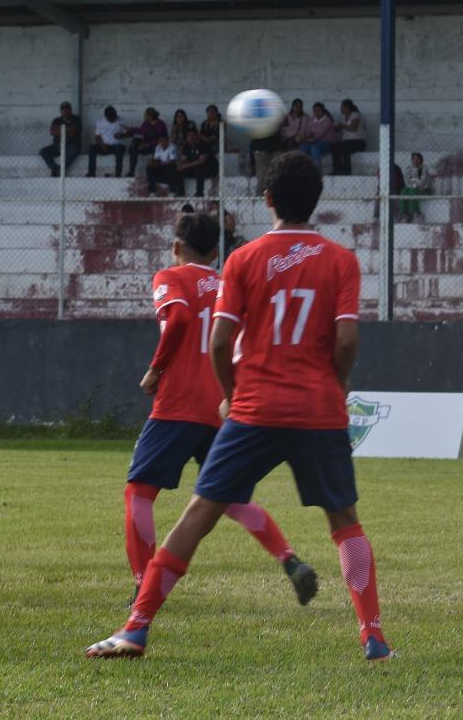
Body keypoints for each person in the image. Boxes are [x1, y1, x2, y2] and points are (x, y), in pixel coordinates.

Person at [85, 152, 389, 662]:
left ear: (266, 199)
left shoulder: (244, 261)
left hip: (255, 407)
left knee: (197, 515)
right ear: (317, 202)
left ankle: (135, 630)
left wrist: (230, 392)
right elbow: (345, 341)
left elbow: (221, 342)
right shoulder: (342, 260)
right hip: (319, 407)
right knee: (344, 521)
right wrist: (335, 385)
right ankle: (373, 637)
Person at [117, 212, 315, 605]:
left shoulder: (169, 278)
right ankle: (287, 557)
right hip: (224, 406)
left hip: (177, 405)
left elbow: (178, 317)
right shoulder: (230, 283)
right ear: (214, 251)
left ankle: (144, 584)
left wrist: (156, 369)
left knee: (139, 493)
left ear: (176, 247)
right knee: (233, 499)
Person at [39, 101, 82, 176]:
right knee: (43, 151)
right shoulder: (57, 120)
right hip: (58, 145)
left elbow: (73, 130)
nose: (65, 110)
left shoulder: (76, 119)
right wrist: (67, 130)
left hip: (71, 145)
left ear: (70, 109)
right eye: (63, 109)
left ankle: (61, 170)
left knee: (73, 151)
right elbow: (52, 131)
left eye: (67, 108)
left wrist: (59, 129)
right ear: (60, 110)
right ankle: (55, 169)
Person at [175, 126, 218, 198]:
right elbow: (184, 159)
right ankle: (180, 192)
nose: (190, 138)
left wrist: (185, 166)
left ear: (197, 135)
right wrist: (180, 163)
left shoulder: (203, 144)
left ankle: (199, 193)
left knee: (199, 168)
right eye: (188, 136)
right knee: (178, 170)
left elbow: (201, 161)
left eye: (192, 135)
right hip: (194, 169)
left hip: (209, 169)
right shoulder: (187, 146)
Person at [87, 106, 128, 178]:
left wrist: (121, 135)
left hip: (117, 145)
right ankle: (91, 173)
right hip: (104, 145)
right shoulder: (100, 121)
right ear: (106, 116)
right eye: (110, 118)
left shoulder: (122, 121)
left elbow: (129, 133)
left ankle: (118, 173)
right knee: (91, 148)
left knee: (119, 150)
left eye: (114, 117)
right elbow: (97, 136)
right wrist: (102, 145)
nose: (112, 120)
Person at [331, 99, 367, 175]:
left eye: (342, 107)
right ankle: (337, 170)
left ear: (347, 107)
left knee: (345, 148)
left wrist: (343, 126)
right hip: (347, 142)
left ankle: (346, 171)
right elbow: (340, 129)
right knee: (334, 147)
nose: (340, 109)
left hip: (358, 142)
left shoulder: (355, 114)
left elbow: (353, 128)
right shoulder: (344, 118)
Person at [128, 108, 167, 178]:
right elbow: (140, 130)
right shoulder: (146, 123)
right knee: (133, 145)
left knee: (157, 149)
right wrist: (131, 130)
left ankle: (154, 173)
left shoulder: (160, 124)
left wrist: (148, 144)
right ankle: (131, 172)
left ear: (150, 116)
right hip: (145, 145)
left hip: (156, 146)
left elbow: (161, 139)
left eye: (145, 115)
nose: (144, 117)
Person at [399, 152, 430, 220]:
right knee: (404, 190)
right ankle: (405, 213)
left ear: (420, 160)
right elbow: (406, 181)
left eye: (417, 159)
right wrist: (415, 182)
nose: (415, 161)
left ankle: (416, 212)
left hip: (423, 189)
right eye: (413, 159)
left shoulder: (424, 168)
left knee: (413, 189)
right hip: (412, 188)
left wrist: (413, 180)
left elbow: (423, 181)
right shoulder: (408, 168)